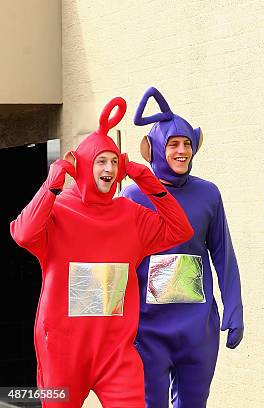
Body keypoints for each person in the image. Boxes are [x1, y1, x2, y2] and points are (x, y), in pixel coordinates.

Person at [10, 97, 193, 407]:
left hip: (115, 352)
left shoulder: (131, 215)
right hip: (62, 350)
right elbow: (23, 233)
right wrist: (52, 182)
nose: (109, 168)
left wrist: (144, 177)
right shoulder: (58, 211)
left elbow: (180, 230)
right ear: (83, 165)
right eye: (100, 161)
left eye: (113, 161)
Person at [121, 87, 243, 408]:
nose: (181, 151)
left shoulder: (208, 194)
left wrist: (233, 306)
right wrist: (114, 323)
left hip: (198, 329)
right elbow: (119, 263)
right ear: (155, 149)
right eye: (173, 143)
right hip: (148, 331)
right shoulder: (132, 197)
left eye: (187, 143)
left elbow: (223, 255)